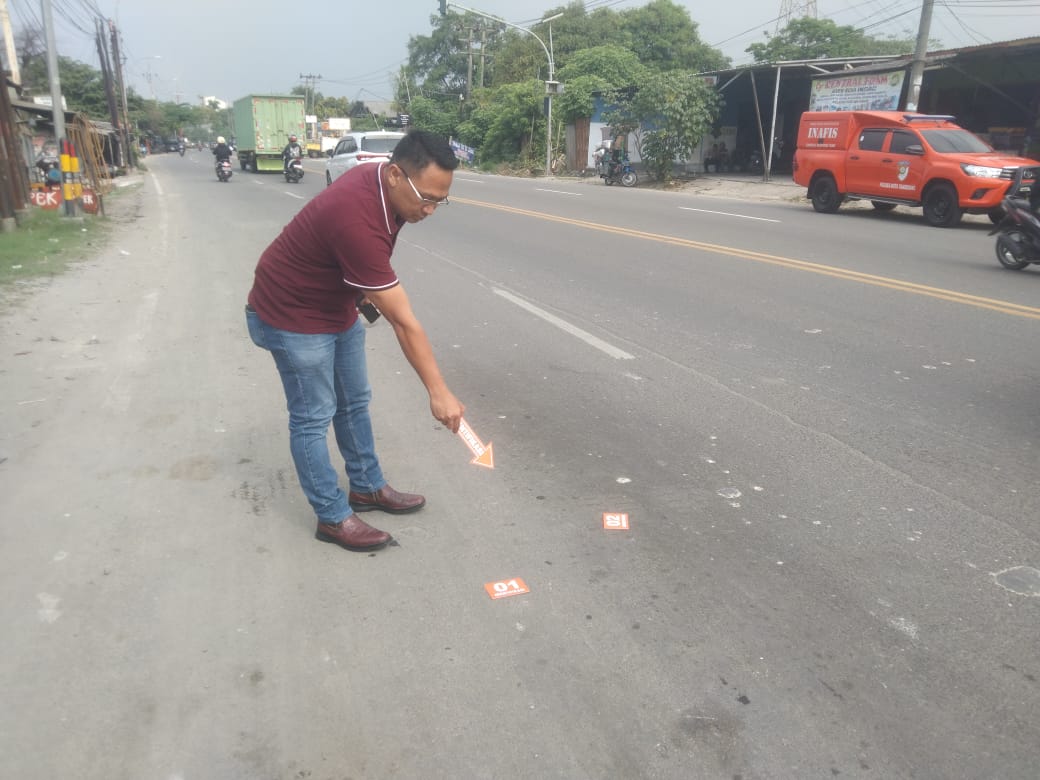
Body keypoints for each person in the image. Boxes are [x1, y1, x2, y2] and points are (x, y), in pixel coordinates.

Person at [245, 130, 465, 553]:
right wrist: (439, 392)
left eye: (441, 200)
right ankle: (331, 516)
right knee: (313, 415)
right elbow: (403, 322)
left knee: (354, 400)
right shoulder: (356, 215)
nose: (432, 209)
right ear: (397, 175)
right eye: (428, 197)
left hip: (334, 305)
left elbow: (364, 265)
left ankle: (365, 487)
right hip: (291, 313)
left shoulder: (389, 189)